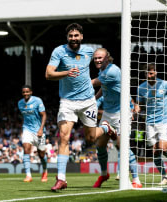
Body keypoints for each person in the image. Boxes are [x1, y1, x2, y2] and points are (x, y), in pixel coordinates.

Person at [45, 23, 117, 192]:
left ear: (82, 37)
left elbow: (106, 60)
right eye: (71, 36)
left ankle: (105, 127)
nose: (73, 39)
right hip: (67, 102)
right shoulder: (59, 51)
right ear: (67, 37)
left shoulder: (89, 51)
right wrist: (66, 72)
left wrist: (107, 76)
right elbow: (48, 74)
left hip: (88, 101)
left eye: (76, 36)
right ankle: (61, 179)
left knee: (91, 139)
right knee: (63, 137)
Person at [91, 48, 142, 188]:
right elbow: (103, 86)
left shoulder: (112, 71)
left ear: (107, 57)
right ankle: (104, 174)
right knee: (100, 145)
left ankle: (136, 179)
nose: (97, 60)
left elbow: (93, 83)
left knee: (122, 146)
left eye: (100, 57)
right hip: (108, 112)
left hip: (122, 112)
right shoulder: (102, 71)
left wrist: (75, 85)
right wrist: (94, 99)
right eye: (95, 58)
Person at [136, 63, 167, 185]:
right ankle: (164, 177)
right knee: (155, 151)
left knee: (162, 148)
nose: (149, 75)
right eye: (147, 73)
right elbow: (139, 104)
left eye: (151, 72)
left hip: (164, 120)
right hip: (149, 122)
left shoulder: (165, 84)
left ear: (156, 72)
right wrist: (136, 108)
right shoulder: (141, 88)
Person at [18, 85, 48, 182]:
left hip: (39, 130)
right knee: (26, 149)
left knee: (41, 154)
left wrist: (41, 129)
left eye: (27, 92)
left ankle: (45, 171)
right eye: (23, 92)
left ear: (31, 92)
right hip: (27, 129)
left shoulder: (37, 101)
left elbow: (44, 115)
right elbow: (25, 117)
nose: (25, 94)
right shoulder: (20, 103)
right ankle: (28, 175)